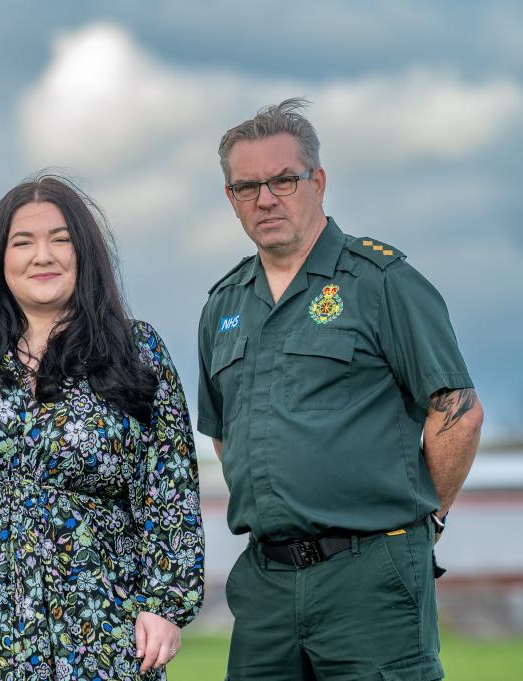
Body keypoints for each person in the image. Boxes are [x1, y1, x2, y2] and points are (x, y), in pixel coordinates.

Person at [197, 99, 484, 680]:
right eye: (247, 186)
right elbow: (226, 436)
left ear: (318, 181)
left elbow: (457, 412)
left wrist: (433, 518)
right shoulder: (223, 306)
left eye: (283, 179)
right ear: (231, 199)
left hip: (371, 572)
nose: (266, 198)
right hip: (267, 582)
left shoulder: (382, 282)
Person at [0, 175, 204, 680]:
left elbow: (170, 486)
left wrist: (166, 604)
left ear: (84, 254)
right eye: (23, 242)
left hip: (99, 618)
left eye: (60, 240)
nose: (42, 256)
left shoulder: (136, 350)